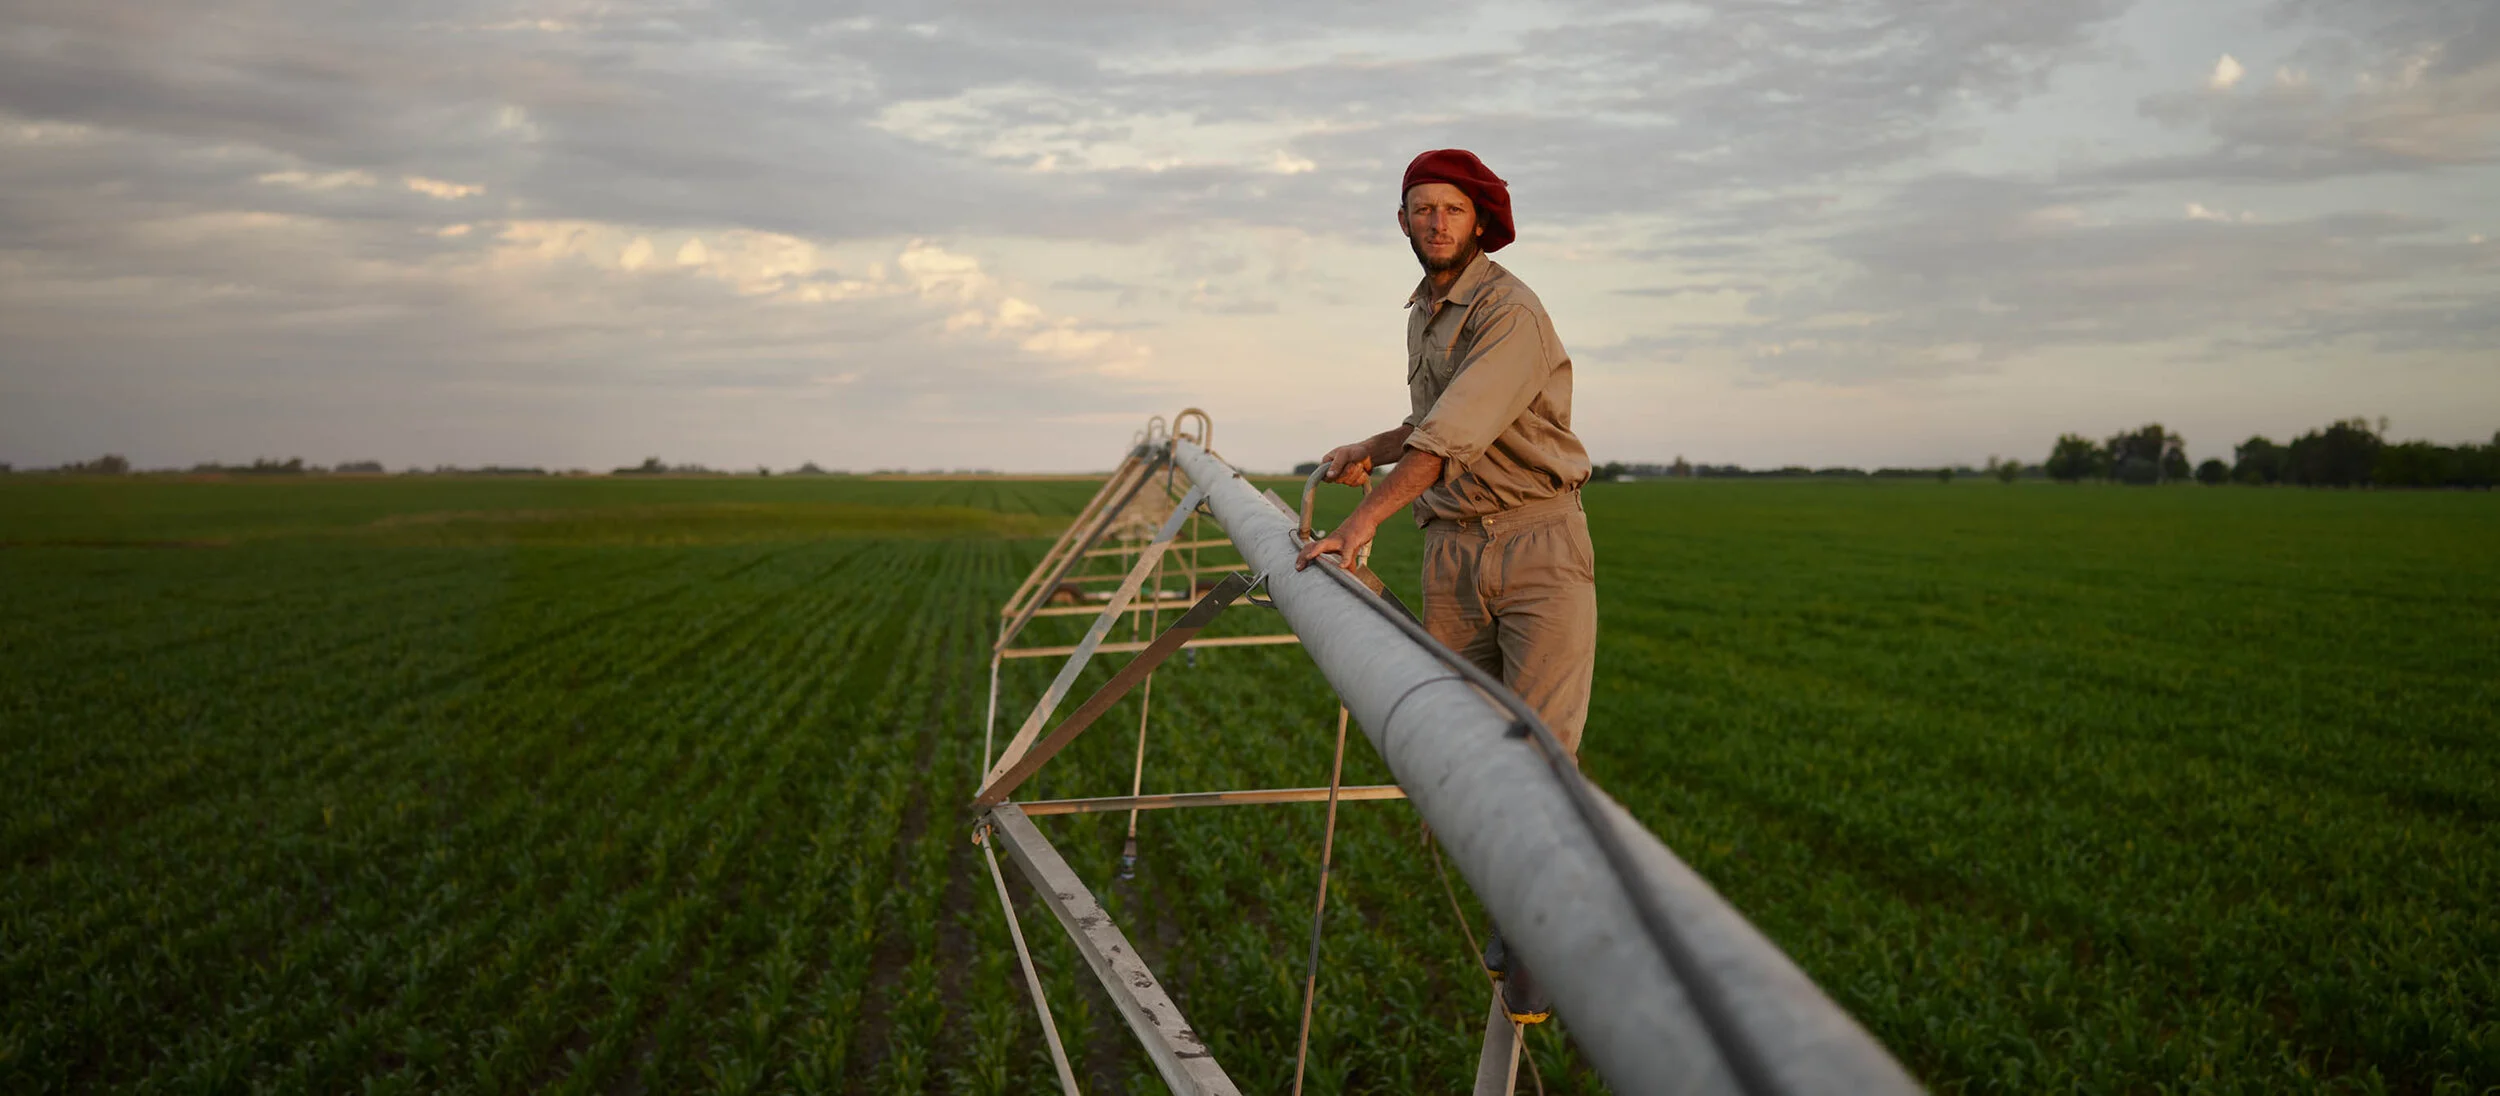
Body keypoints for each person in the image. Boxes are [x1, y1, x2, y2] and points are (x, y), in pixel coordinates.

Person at [1293, 148, 1595, 1025]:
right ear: (1402, 224)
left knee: (1536, 749)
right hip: (1453, 549)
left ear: (1481, 221)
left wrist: (1363, 520)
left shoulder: (1512, 313)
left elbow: (1452, 436)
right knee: (1460, 737)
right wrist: (1370, 446)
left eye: (1451, 210)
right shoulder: (1424, 313)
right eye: (1420, 209)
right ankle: (1509, 898)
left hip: (1536, 546)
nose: (1435, 223)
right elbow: (1428, 424)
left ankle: (1541, 943)